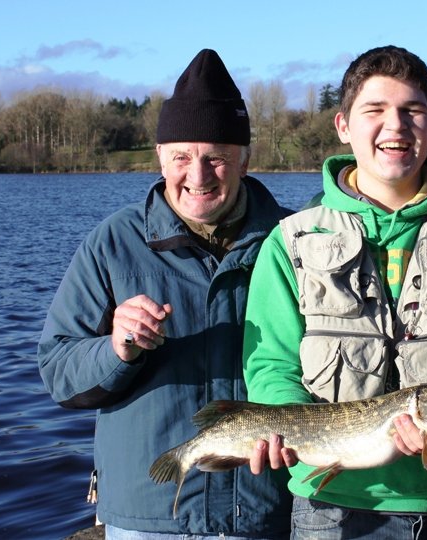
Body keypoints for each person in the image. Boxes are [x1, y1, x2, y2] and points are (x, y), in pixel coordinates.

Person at [242, 45, 427, 539]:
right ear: (343, 126)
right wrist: (284, 422)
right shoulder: (291, 238)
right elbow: (270, 362)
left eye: (412, 110)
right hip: (329, 510)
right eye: (374, 110)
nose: (395, 126)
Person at [37, 49, 292, 539]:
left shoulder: (297, 241)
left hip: (270, 512)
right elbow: (58, 372)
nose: (197, 177)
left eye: (216, 157)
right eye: (181, 157)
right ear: (160, 157)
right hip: (149, 516)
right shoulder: (112, 243)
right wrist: (115, 349)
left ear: (244, 158)